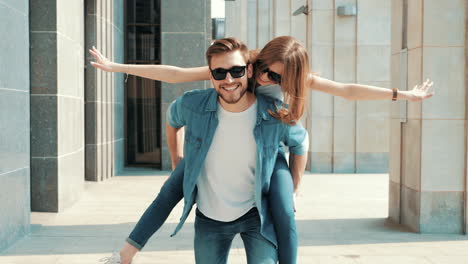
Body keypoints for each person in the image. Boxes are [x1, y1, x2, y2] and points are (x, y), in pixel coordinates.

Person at [91, 36, 434, 264]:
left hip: (274, 142)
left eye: (280, 78)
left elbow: (347, 90)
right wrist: (116, 67)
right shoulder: (240, 68)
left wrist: (403, 95)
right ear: (258, 64)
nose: (269, 79)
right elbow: (175, 74)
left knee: (284, 208)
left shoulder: (294, 84)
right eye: (267, 71)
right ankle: (124, 253)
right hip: (218, 137)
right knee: (170, 191)